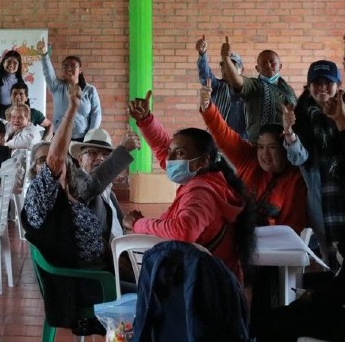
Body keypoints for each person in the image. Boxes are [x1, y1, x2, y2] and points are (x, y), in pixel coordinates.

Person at [124, 90, 256, 282]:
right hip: (209, 279)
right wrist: (146, 120)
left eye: (179, 153)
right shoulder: (209, 179)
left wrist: (139, 224)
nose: (168, 160)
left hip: (201, 288)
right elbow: (163, 149)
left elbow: (183, 231)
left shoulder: (201, 192)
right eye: (171, 152)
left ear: (202, 161)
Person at [21, 85, 108, 336]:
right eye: (41, 161)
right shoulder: (41, 198)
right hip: (80, 284)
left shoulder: (70, 193)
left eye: (48, 159)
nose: (46, 164)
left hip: (93, 272)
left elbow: (98, 178)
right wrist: (71, 110)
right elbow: (56, 160)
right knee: (151, 294)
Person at [199, 81, 308, 232]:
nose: (265, 154)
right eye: (261, 147)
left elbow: (293, 228)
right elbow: (223, 133)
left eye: (272, 148)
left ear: (284, 149)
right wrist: (207, 107)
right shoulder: (249, 158)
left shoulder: (296, 179)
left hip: (273, 246)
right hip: (233, 236)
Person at [282, 59, 345, 268]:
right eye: (317, 82)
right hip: (321, 197)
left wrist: (340, 120)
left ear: (338, 85)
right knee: (332, 259)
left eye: (328, 82)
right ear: (308, 87)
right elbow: (299, 159)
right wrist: (289, 133)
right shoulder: (299, 116)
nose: (322, 87)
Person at [70, 126, 141, 243]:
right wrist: (123, 150)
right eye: (92, 153)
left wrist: (129, 224)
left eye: (105, 154)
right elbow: (90, 188)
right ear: (80, 159)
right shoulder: (76, 180)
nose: (100, 158)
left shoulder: (108, 191)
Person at [220, 36, 297, 143]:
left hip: (286, 144)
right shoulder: (254, 86)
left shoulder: (288, 90)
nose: (268, 65)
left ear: (280, 66)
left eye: (272, 62)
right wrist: (226, 59)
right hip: (259, 146)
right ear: (257, 68)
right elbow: (236, 80)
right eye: (264, 63)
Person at [36, 40, 101, 141]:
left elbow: (96, 114)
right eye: (65, 65)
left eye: (73, 65)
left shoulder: (90, 90)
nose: (69, 68)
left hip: (82, 139)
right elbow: (48, 72)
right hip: (59, 137)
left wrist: (90, 137)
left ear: (80, 70)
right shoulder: (57, 86)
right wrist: (44, 55)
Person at [195, 34, 248, 140]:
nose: (227, 69)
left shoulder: (249, 88)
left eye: (233, 65)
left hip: (241, 144)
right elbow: (205, 74)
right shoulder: (216, 86)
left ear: (241, 70)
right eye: (224, 65)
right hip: (216, 142)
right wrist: (203, 53)